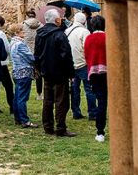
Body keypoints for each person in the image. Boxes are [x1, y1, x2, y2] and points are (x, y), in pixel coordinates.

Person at [35, 9, 76, 137]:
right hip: (59, 72)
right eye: (60, 18)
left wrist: (39, 68)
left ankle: (48, 126)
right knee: (61, 100)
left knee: (48, 99)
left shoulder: (40, 34)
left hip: (46, 71)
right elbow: (66, 56)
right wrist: (71, 73)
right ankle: (60, 128)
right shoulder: (59, 35)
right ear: (56, 20)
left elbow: (36, 54)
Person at [66, 12, 97, 120]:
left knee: (74, 89)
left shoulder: (67, 31)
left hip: (71, 64)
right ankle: (92, 113)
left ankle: (76, 112)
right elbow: (87, 48)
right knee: (89, 89)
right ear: (84, 21)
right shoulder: (85, 32)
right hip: (83, 64)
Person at [8, 23, 39, 128]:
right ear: (17, 32)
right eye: (22, 31)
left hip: (17, 71)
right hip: (24, 72)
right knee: (22, 97)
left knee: (17, 96)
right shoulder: (20, 44)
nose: (24, 32)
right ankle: (24, 120)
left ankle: (18, 118)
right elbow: (30, 57)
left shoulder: (12, 43)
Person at [84, 15, 108, 142]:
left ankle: (100, 131)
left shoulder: (88, 38)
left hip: (94, 73)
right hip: (108, 72)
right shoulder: (107, 38)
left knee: (101, 101)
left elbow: (86, 55)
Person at [0, 15, 15, 116]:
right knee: (8, 86)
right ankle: (12, 107)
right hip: (2, 64)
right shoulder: (0, 34)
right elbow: (6, 48)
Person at [22, 10, 43, 100]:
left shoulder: (23, 25)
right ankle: (39, 94)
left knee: (27, 72)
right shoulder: (41, 26)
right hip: (38, 51)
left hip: (27, 51)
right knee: (38, 73)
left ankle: (26, 92)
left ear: (28, 16)